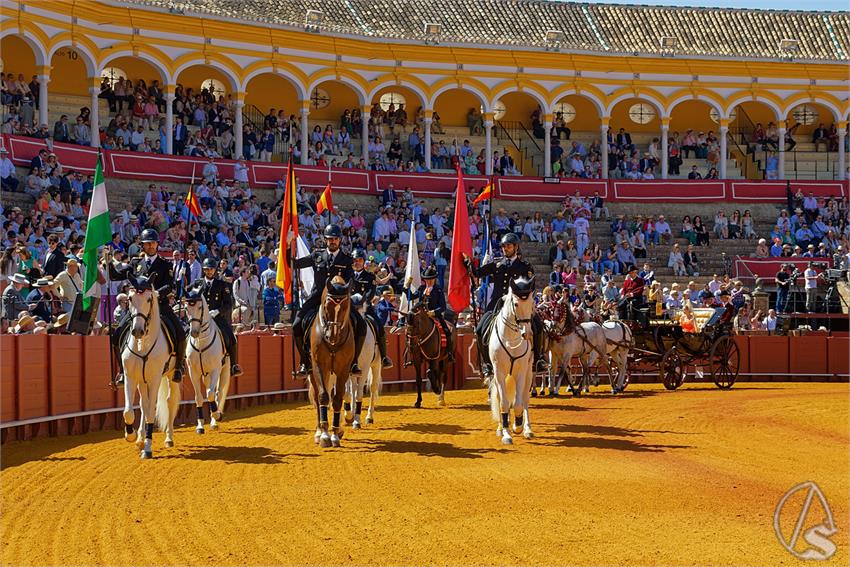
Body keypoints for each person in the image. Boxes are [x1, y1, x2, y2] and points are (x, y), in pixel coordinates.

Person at [108, 228, 187, 384]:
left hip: (160, 307)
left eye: (153, 243)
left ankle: (178, 367)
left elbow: (170, 286)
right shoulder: (135, 262)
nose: (150, 246)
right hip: (138, 309)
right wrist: (109, 261)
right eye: (147, 244)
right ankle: (123, 371)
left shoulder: (165, 264)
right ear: (142, 246)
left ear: (157, 244)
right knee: (116, 335)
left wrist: (156, 294)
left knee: (180, 333)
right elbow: (115, 276)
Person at [465, 232, 545, 379]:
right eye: (503, 246)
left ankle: (538, 359)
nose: (505, 249)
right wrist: (469, 265)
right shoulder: (496, 264)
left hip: (518, 304)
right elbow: (477, 273)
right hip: (497, 303)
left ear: (516, 247)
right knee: (480, 329)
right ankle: (488, 364)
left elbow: (530, 286)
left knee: (538, 325)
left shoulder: (524, 266)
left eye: (508, 246)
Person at [292, 224, 365, 376]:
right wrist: (287, 246)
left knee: (362, 324)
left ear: (340, 240)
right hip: (318, 296)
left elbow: (351, 280)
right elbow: (295, 264)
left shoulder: (346, 259)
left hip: (339, 299)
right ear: (325, 240)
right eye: (330, 239)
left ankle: (354, 362)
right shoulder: (316, 255)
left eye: (335, 239)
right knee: (296, 325)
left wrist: (345, 291)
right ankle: (305, 362)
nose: (333, 241)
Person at [192, 258, 243, 376]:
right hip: (200, 318)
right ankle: (183, 362)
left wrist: (217, 311)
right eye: (206, 269)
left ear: (215, 270)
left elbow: (228, 304)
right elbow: (191, 297)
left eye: (211, 269)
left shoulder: (221, 284)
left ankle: (233, 365)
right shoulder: (197, 283)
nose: (209, 272)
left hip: (217, 318)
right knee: (187, 334)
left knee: (231, 338)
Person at [350, 249, 392, 368]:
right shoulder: (348, 275)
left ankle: (384, 357)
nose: (357, 263)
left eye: (359, 260)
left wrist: (361, 303)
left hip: (365, 308)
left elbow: (371, 293)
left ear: (363, 262)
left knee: (379, 326)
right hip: (349, 309)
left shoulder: (369, 276)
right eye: (355, 260)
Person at [412, 265, 454, 363]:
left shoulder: (438, 290)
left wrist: (434, 312)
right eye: (427, 279)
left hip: (435, 316)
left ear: (434, 279)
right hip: (422, 316)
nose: (428, 281)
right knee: (411, 331)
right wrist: (405, 288)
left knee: (447, 331)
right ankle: (411, 355)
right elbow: (411, 297)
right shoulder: (422, 288)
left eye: (430, 279)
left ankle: (449, 353)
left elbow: (443, 306)